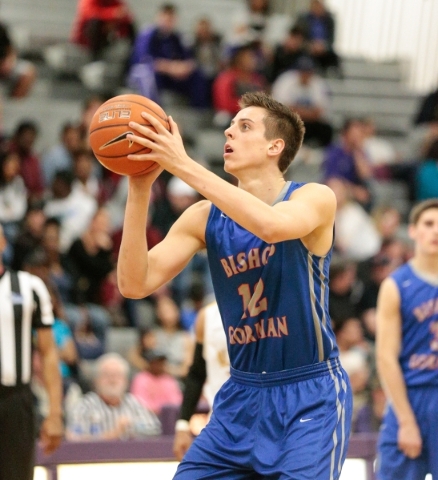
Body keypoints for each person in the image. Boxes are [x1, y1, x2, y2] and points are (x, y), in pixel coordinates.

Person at [117, 91, 352, 478]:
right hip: (240, 397)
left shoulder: (314, 197)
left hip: (309, 394)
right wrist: (139, 189)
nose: (229, 131)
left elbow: (272, 227)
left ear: (275, 146)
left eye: (244, 127)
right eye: (230, 125)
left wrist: (182, 164)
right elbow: (134, 282)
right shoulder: (202, 217)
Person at [375, 199, 438, 480]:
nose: (435, 231)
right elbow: (385, 357)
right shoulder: (396, 285)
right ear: (412, 231)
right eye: (428, 224)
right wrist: (406, 421)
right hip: (411, 396)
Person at [0, 224, 63, 480]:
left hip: (16, 400)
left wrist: (55, 413)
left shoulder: (29, 286)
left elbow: (48, 353)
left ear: (3, 243)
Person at [173, 302, 230, 461]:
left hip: (267, 422)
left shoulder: (272, 307)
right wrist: (183, 426)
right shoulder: (207, 316)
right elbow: (196, 375)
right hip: (222, 424)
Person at [66, 352, 161, 440]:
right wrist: (112, 434)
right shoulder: (84, 406)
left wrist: (133, 429)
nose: (112, 380)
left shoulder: (134, 403)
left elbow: (155, 430)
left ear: (126, 381)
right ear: (96, 381)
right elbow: (74, 438)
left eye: (117, 375)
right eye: (107, 375)